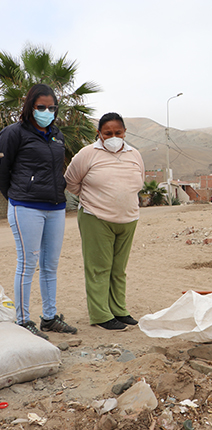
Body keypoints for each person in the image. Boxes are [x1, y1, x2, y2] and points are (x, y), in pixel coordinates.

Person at [0, 83, 77, 339]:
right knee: (27, 263)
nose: (46, 111)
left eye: (51, 107)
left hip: (55, 207)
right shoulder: (14, 133)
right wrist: (15, 196)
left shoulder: (57, 135)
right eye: (41, 107)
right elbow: (3, 170)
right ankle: (23, 321)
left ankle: (49, 317)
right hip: (26, 206)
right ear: (30, 107)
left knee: (50, 265)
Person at [64, 112, 144, 331]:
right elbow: (71, 182)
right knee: (99, 268)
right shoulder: (87, 154)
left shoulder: (135, 155)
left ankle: (119, 310)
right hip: (95, 218)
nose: (113, 136)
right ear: (99, 133)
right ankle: (101, 314)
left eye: (118, 132)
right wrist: (94, 200)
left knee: (119, 269)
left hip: (128, 219)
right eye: (107, 133)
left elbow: (139, 181)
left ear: (125, 132)